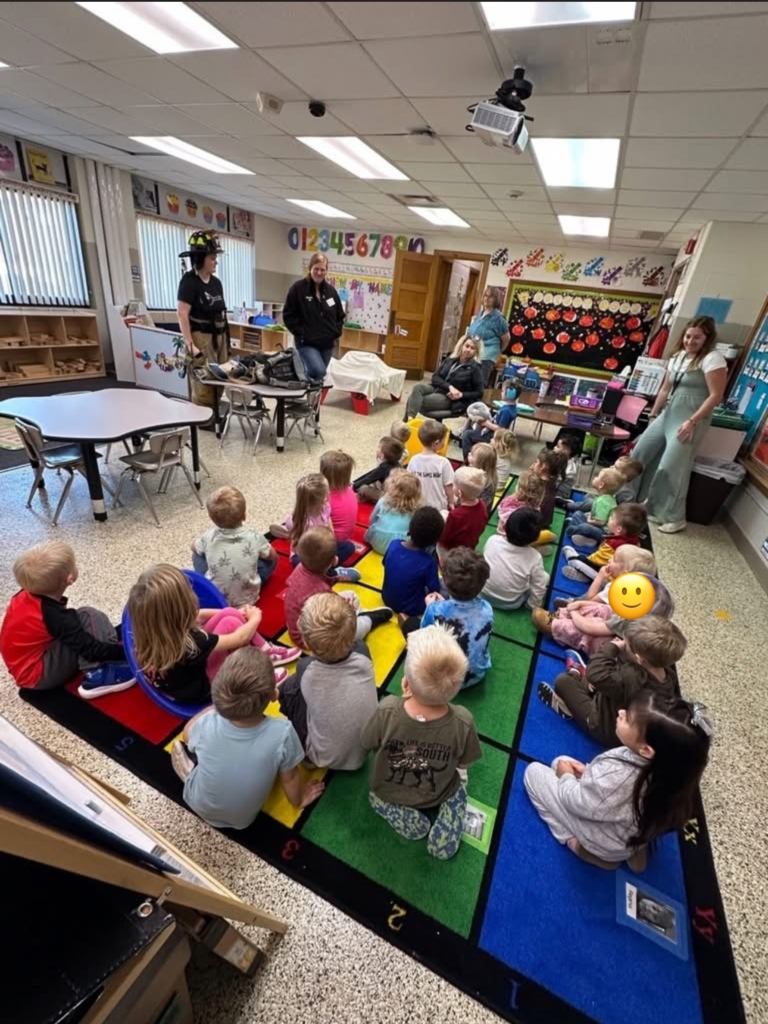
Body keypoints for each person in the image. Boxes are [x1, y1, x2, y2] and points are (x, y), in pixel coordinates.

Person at [524, 692, 712, 868]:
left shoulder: (619, 777)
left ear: (646, 750)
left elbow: (575, 802)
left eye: (628, 719)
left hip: (600, 839)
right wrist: (588, 772)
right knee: (564, 765)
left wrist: (566, 776)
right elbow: (612, 790)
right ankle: (634, 851)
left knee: (536, 771)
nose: (621, 712)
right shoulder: (673, 776)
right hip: (625, 831)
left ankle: (580, 846)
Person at [361, 624, 483, 860]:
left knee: (375, 792)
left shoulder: (387, 710)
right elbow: (464, 765)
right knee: (459, 789)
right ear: (456, 689)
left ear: (406, 683)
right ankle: (444, 832)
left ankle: (388, 805)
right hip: (438, 791)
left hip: (387, 788)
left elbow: (366, 741)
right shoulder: (463, 721)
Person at [172, 648, 324, 830]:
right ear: (274, 695)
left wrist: (214, 711)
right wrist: (299, 799)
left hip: (195, 801)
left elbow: (187, 734)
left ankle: (192, 770)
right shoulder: (282, 733)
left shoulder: (209, 722)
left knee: (195, 746)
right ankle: (193, 770)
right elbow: (290, 777)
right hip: (242, 821)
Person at [128, 564, 299, 706]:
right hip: (202, 690)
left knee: (229, 615)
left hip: (181, 682)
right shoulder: (192, 642)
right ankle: (255, 677)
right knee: (230, 624)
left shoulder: (152, 630)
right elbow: (240, 638)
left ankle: (265, 651)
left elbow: (200, 614)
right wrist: (254, 618)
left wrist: (235, 611)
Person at [0, 541, 134, 699]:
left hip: (25, 667)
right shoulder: (54, 616)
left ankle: (102, 661)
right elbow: (90, 649)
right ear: (70, 579)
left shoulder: (26, 595)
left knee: (84, 620)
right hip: (39, 674)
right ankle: (98, 674)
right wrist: (130, 654)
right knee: (89, 615)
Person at [632, 316, 728, 534]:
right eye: (687, 336)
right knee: (640, 452)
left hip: (690, 419)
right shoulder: (677, 357)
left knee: (672, 468)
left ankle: (674, 517)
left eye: (697, 337)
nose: (690, 341)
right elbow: (665, 389)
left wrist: (692, 421)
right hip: (668, 414)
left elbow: (716, 395)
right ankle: (645, 504)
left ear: (707, 338)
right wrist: (653, 415)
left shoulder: (713, 359)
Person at [537, 616, 685, 746]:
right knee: (595, 679)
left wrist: (612, 647)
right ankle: (579, 674)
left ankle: (567, 705)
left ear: (640, 659)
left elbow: (595, 672)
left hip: (602, 726)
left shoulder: (631, 676)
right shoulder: (669, 675)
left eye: (625, 642)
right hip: (616, 704)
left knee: (563, 681)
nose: (622, 642)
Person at [278, 593, 378, 770]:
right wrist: (347, 617)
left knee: (289, 687)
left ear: (307, 645)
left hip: (323, 757)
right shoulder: (362, 651)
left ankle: (307, 757)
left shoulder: (305, 668)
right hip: (363, 752)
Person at [284, 528, 392, 648]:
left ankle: (357, 614)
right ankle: (368, 619)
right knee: (354, 630)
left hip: (295, 629)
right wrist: (349, 610)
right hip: (312, 640)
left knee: (351, 596)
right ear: (335, 560)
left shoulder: (300, 567)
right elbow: (332, 619)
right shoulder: (321, 591)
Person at [533, 567, 674, 658]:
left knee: (588, 633)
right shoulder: (630, 614)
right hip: (611, 629)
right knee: (603, 609)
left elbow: (589, 628)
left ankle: (556, 627)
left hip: (608, 649)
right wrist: (581, 603)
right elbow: (597, 604)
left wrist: (575, 612)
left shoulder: (625, 619)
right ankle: (562, 614)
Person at [192, 486, 277, 607]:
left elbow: (193, 548)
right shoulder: (254, 535)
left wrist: (200, 545)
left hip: (216, 596)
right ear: (244, 515)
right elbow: (272, 556)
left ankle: (211, 583)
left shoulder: (208, 536)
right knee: (270, 559)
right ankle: (251, 581)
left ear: (212, 518)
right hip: (248, 597)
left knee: (197, 555)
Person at [421, 547, 493, 688]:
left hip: (444, 681)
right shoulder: (487, 608)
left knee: (411, 626)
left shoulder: (435, 610)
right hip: (476, 676)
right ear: (482, 584)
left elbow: (423, 637)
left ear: (446, 584)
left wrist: (430, 606)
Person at [271, 472, 359, 579]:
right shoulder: (301, 521)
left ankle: (321, 572)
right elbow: (307, 550)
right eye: (328, 490)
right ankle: (330, 573)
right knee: (298, 564)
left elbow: (329, 523)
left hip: (323, 545)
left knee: (349, 547)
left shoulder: (325, 507)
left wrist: (331, 549)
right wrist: (327, 559)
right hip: (307, 554)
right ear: (324, 497)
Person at [176, 230, 227, 411]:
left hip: (218, 338)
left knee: (220, 377)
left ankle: (214, 413)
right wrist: (190, 344)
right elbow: (182, 314)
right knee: (203, 380)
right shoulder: (189, 282)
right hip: (199, 338)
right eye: (212, 258)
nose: (216, 261)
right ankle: (202, 420)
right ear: (200, 258)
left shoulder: (216, 283)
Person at [283, 252, 345, 381]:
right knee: (319, 371)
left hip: (327, 344)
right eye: (316, 268)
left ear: (326, 271)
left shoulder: (331, 292)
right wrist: (301, 333)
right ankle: (299, 376)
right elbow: (288, 315)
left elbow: (340, 315)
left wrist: (335, 332)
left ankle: (311, 401)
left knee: (317, 379)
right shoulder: (298, 289)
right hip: (307, 343)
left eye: (322, 269)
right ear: (310, 268)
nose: (319, 272)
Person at [382, 506, 444, 627]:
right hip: (412, 609)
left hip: (386, 598)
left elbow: (385, 564)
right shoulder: (428, 562)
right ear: (434, 540)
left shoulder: (394, 544)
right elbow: (434, 589)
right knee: (444, 589)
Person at [482, 508, 550, 610]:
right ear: (535, 539)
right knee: (545, 577)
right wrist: (533, 605)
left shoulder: (492, 540)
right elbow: (539, 587)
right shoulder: (535, 557)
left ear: (505, 527)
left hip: (481, 593)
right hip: (511, 603)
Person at [561, 503, 647, 582]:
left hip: (605, 575)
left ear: (619, 529)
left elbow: (595, 560)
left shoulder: (612, 545)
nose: (609, 518)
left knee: (576, 561)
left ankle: (583, 575)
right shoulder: (634, 540)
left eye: (612, 518)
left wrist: (582, 559)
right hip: (610, 570)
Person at [405, 336, 483, 420]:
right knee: (417, 388)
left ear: (476, 352)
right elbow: (435, 377)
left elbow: (479, 393)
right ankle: (408, 422)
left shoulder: (475, 368)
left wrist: (461, 395)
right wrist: (450, 387)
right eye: (467, 346)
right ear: (462, 345)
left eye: (472, 348)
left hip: (451, 398)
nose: (468, 350)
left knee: (418, 400)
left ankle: (406, 424)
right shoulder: (451, 359)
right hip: (437, 388)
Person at [365, 469, 422, 555]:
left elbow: (372, 520)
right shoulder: (416, 508)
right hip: (401, 547)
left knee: (371, 530)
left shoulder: (383, 501)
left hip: (377, 543)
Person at [564, 466, 625, 543]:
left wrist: (589, 521)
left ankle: (573, 531)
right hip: (596, 525)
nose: (594, 477)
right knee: (578, 514)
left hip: (603, 533)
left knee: (585, 527)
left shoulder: (603, 501)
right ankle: (582, 536)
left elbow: (601, 523)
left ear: (601, 485)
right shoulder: (605, 498)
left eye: (597, 477)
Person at [407, 419, 455, 512]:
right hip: (438, 508)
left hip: (417, 507)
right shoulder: (443, 462)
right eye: (443, 440)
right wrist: (451, 502)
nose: (444, 443)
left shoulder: (413, 460)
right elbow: (448, 486)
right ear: (436, 443)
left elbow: (409, 483)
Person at [467, 286, 512, 386]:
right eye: (485, 296)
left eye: (491, 296)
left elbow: (506, 339)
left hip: (487, 356)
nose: (487, 298)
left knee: (479, 383)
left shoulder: (498, 318)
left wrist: (498, 351)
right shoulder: (480, 313)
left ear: (496, 299)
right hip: (475, 352)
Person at [461, 382, 518, 460]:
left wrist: (486, 423)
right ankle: (475, 454)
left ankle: (468, 460)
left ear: (509, 394)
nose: (501, 393)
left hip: (492, 435)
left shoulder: (506, 411)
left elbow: (500, 429)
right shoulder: (510, 407)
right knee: (471, 422)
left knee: (467, 435)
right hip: (491, 430)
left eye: (503, 391)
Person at [438, 467, 488, 556]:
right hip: (469, 548)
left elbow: (444, 538)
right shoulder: (482, 505)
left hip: (452, 551)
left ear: (460, 493)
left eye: (454, 484)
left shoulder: (456, 515)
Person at [320, 449, 357, 562]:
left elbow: (318, 524)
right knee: (349, 548)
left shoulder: (325, 499)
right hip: (345, 539)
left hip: (330, 543)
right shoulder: (350, 490)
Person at [353, 435, 406, 504]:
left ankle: (358, 499)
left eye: (378, 447)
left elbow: (369, 478)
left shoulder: (384, 468)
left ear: (382, 455)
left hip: (391, 500)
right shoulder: (396, 464)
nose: (377, 448)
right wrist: (355, 482)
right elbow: (372, 473)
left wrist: (353, 486)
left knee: (363, 488)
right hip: (398, 495)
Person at [497, 470, 545, 535]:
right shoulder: (534, 506)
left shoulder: (509, 501)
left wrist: (512, 497)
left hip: (506, 534)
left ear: (520, 490)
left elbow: (502, 513)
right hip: (525, 536)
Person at [468, 442, 498, 512]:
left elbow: (483, 503)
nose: (469, 454)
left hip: (475, 511)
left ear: (480, 462)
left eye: (472, 454)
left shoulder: (485, 480)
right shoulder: (490, 474)